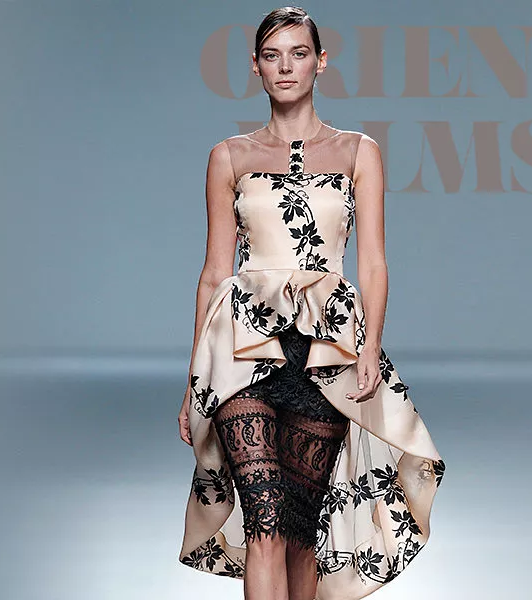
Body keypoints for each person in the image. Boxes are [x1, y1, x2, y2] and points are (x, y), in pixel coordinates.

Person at [176, 7, 445, 600]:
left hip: (326, 351)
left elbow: (372, 263)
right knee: (264, 519)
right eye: (272, 56)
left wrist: (370, 347)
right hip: (242, 350)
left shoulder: (358, 152)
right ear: (255, 67)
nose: (285, 67)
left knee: (300, 530)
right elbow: (214, 271)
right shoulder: (229, 157)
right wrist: (194, 378)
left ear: (321, 62)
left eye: (298, 54)